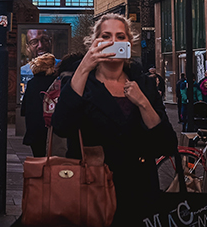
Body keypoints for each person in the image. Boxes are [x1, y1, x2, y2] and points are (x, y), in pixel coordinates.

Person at [52, 14, 177, 227]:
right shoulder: (80, 82)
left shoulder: (143, 85)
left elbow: (166, 144)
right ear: (94, 43)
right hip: (92, 191)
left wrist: (143, 103)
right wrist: (83, 67)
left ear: (128, 43)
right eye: (106, 36)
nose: (113, 42)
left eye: (120, 36)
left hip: (139, 193)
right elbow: (62, 126)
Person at [20, 52, 56, 157]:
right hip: (50, 125)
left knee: (38, 155)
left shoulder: (33, 82)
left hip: (35, 126)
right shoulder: (55, 82)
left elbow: (26, 106)